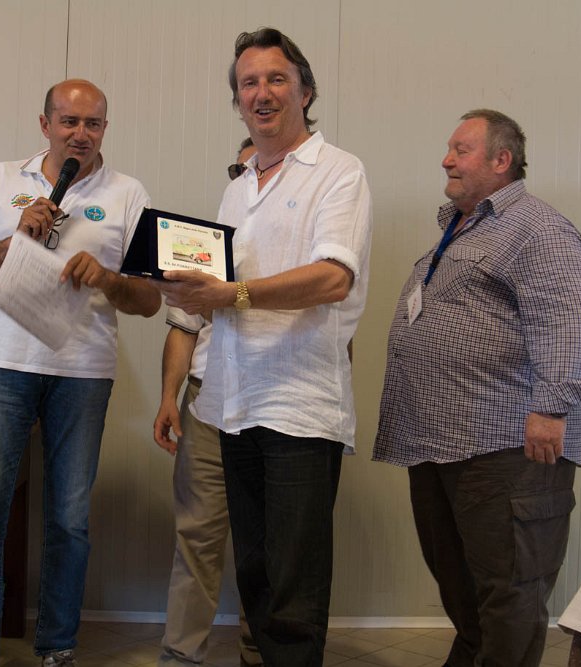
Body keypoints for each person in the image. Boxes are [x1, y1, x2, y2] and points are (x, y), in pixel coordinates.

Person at [156, 28, 373, 667]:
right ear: (238, 101)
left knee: (292, 589)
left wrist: (231, 294)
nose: (262, 92)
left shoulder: (340, 171)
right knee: (254, 578)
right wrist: (186, 289)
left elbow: (333, 278)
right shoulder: (239, 186)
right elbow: (217, 292)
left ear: (305, 91)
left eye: (277, 79)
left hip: (299, 407)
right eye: (248, 83)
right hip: (231, 404)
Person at [0, 79, 161, 667]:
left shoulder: (128, 194)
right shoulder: (1, 179)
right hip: (0, 366)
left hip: (82, 373)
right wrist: (15, 239)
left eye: (93, 124)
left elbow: (149, 301)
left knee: (69, 520)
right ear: (45, 125)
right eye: (69, 121)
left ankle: (57, 647)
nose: (80, 134)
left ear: (105, 129)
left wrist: (108, 278)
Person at [372, 109, 581, 667]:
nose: (446, 160)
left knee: (510, 592)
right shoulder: (461, 229)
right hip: (440, 445)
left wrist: (552, 407)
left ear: (502, 160)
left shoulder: (537, 227)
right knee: (462, 588)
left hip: (507, 447)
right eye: (449, 149)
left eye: (461, 150)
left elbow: (570, 319)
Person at [154, 139, 261, 667]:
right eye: (239, 169)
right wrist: (168, 397)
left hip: (274, 406)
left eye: (256, 167)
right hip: (206, 403)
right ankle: (181, 655)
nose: (247, 175)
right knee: (196, 534)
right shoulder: (209, 244)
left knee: (267, 543)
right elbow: (183, 328)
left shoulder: (304, 240)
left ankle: (259, 652)